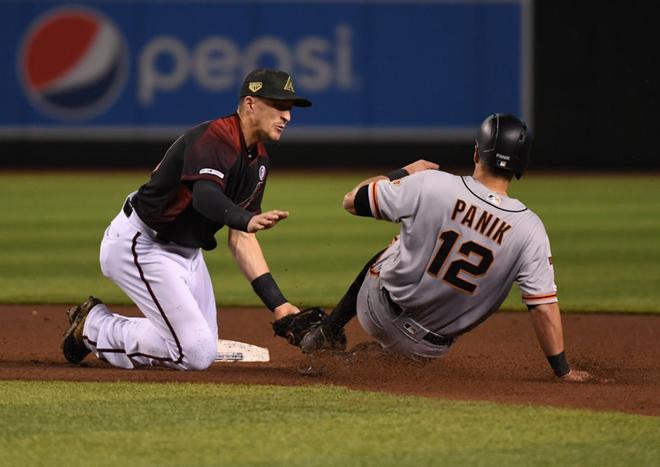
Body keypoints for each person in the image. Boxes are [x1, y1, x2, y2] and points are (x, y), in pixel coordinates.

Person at [301, 113, 594, 382]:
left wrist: (405, 172)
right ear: (522, 164)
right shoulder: (531, 229)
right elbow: (543, 307)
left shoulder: (432, 184)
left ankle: (329, 329)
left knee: (399, 244)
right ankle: (365, 362)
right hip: (425, 349)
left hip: (376, 310)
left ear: (477, 152)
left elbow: (352, 200)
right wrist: (562, 370)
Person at [62, 69, 311, 370]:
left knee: (198, 341)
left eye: (290, 109)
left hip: (187, 254)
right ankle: (94, 327)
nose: (287, 116)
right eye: (279, 106)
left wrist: (279, 304)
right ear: (250, 104)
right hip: (143, 245)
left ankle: (129, 330)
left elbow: (241, 239)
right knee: (195, 354)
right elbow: (205, 196)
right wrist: (244, 218)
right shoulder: (215, 138)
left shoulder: (258, 161)